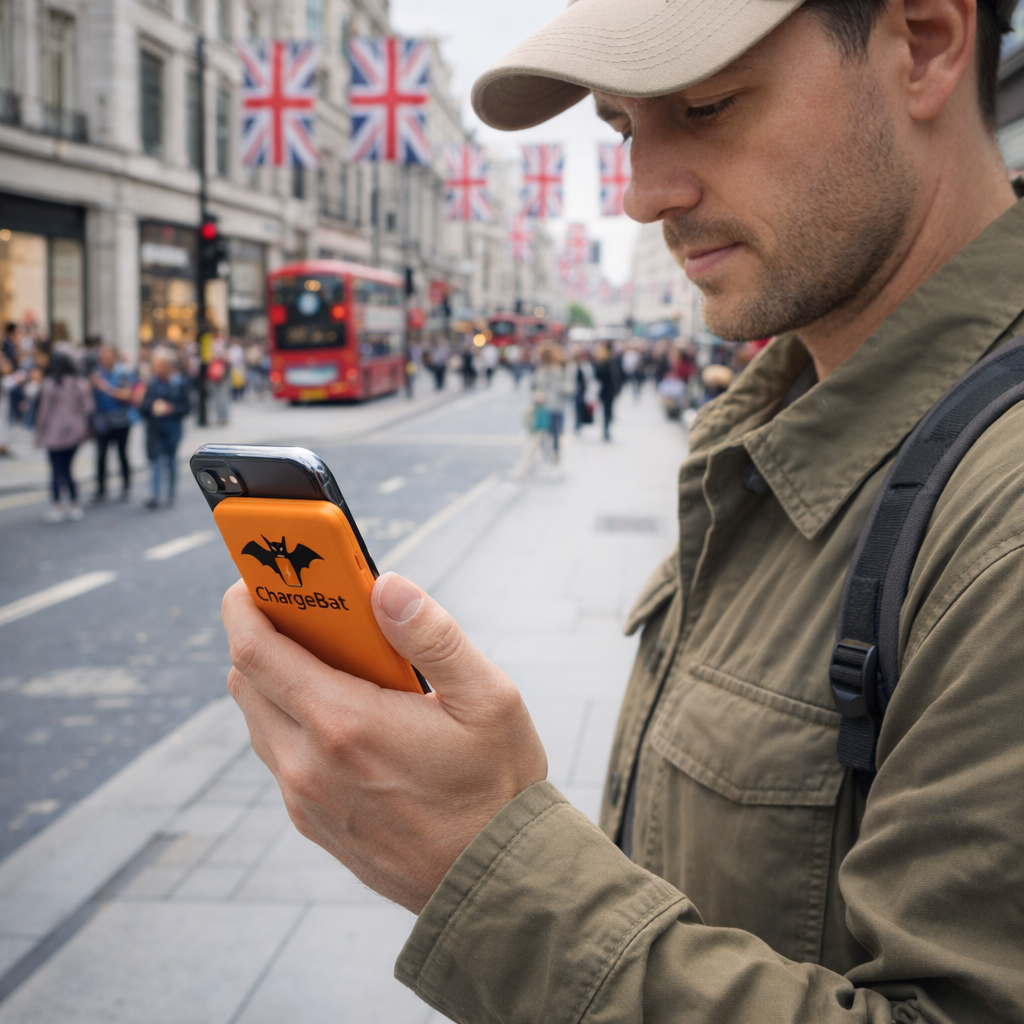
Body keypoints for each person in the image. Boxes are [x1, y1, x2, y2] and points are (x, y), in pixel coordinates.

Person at [219, 2, 1024, 1022]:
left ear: (927, 43)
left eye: (707, 105)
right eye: (622, 128)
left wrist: (489, 862)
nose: (643, 195)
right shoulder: (775, 421)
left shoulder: (1001, 515)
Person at [33, 350, 93, 523]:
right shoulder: (79, 383)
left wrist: (38, 433)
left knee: (56, 470)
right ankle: (74, 504)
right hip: (74, 432)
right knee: (68, 469)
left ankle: (57, 506)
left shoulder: (49, 384)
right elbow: (88, 408)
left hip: (53, 433)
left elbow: (43, 412)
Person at [140, 347, 190, 509]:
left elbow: (187, 407)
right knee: (155, 461)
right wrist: (152, 406)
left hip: (172, 429)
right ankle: (155, 495)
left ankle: (170, 494)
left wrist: (171, 408)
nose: (157, 369)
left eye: (160, 365)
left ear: (168, 367)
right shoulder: (152, 383)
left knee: (171, 461)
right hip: (155, 429)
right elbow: (144, 406)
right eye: (156, 365)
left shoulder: (179, 383)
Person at [90, 346, 136, 502]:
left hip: (121, 421)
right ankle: (101, 489)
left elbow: (127, 394)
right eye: (102, 356)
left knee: (122, 454)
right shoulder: (98, 373)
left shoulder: (122, 373)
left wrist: (106, 388)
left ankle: (126, 486)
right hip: (103, 422)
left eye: (107, 356)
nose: (104, 359)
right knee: (101, 456)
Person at [533, 343, 571, 462]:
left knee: (556, 431)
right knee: (543, 431)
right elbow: (536, 386)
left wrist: (558, 385)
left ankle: (555, 453)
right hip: (544, 405)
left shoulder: (560, 369)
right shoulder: (541, 370)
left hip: (557, 405)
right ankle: (546, 453)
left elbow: (569, 387)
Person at [591, 342, 621, 441]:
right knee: (607, 410)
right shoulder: (608, 361)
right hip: (607, 388)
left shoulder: (603, 360)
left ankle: (606, 429)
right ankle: (606, 429)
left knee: (606, 410)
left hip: (606, 388)